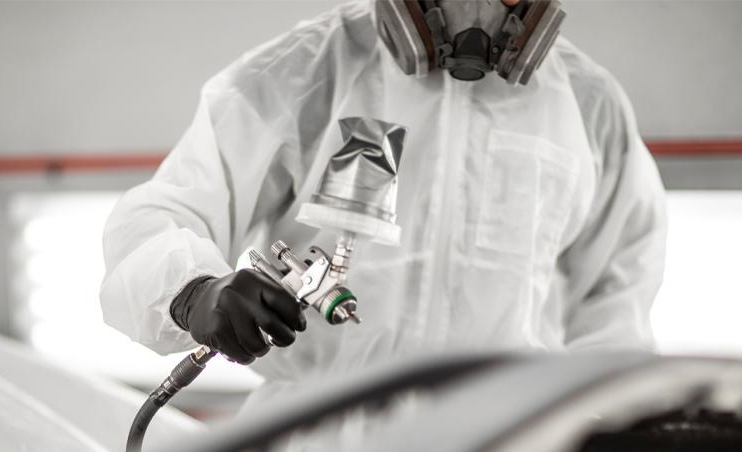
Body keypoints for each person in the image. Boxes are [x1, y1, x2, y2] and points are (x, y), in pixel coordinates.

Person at [101, 0, 666, 445]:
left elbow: (616, 305)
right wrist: (194, 290)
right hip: (324, 438)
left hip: (516, 440)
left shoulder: (589, 107)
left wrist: (612, 420)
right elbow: (163, 210)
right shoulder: (308, 69)